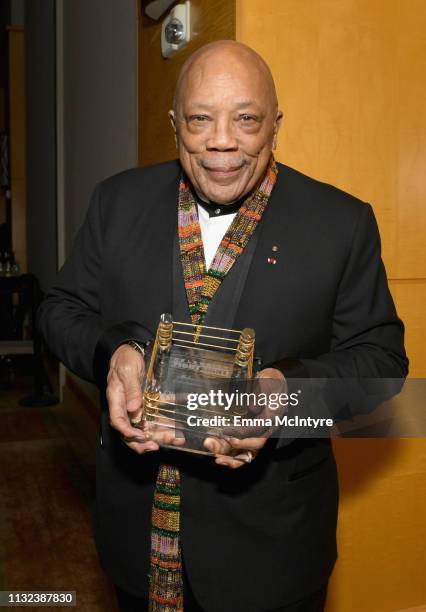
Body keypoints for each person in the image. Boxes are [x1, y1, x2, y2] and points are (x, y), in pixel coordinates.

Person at [38, 41, 408, 612]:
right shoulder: (117, 202)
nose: (222, 142)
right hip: (134, 537)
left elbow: (382, 364)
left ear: (275, 125)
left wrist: (286, 397)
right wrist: (115, 350)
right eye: (200, 119)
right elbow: (59, 310)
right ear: (175, 123)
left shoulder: (343, 222)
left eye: (246, 120)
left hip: (274, 552)